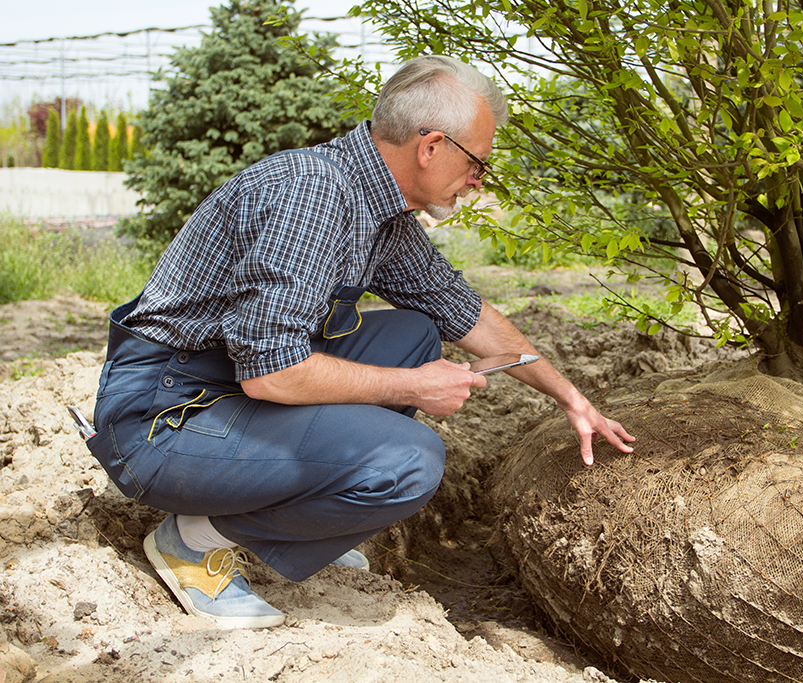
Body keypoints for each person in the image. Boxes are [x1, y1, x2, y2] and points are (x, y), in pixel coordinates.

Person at [85, 55, 635, 630]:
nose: (479, 180)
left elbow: (463, 311)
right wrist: (415, 386)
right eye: (478, 163)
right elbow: (270, 372)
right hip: (162, 419)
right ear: (431, 147)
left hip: (222, 388)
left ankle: (293, 519)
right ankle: (191, 541)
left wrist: (569, 396)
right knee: (407, 463)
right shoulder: (312, 194)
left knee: (414, 332)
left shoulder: (381, 210)